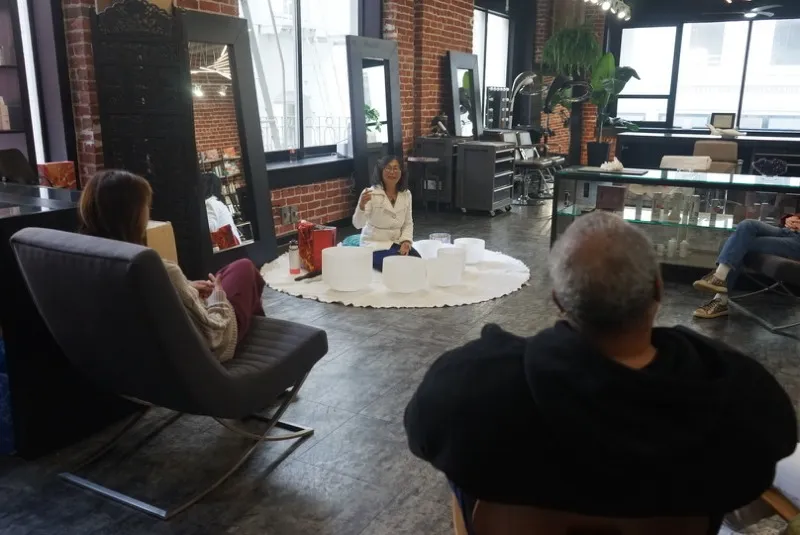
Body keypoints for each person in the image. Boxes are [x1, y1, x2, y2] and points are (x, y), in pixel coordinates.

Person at [404, 211, 797, 534]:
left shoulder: (469, 385)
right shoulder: (738, 396)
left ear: (559, 300)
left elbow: (423, 434)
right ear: (659, 289)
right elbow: (766, 457)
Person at [78, 170, 265, 362]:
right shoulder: (153, 268)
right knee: (244, 268)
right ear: (132, 215)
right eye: (146, 206)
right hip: (203, 353)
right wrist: (218, 297)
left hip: (131, 357)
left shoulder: (85, 261)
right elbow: (213, 337)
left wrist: (186, 288)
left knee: (226, 273)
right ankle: (264, 360)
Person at [693, 215, 800, 319]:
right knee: (747, 224)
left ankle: (720, 295)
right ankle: (719, 279)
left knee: (734, 243)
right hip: (787, 231)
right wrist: (791, 218)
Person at [352, 156, 421, 271]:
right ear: (381, 171)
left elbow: (408, 223)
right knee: (396, 266)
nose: (392, 172)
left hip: (396, 242)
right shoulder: (370, 193)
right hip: (375, 244)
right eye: (388, 168)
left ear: (401, 172)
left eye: (395, 168)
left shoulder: (406, 194)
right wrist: (361, 206)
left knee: (417, 262)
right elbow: (358, 224)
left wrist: (406, 241)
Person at [203, 172, 242, 243]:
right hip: (231, 243)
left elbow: (211, 227)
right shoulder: (216, 201)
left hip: (225, 245)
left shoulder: (209, 203)